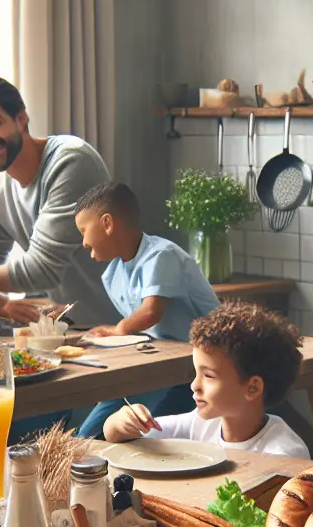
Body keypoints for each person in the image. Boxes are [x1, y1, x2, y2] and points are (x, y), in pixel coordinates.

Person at [0, 74, 122, 328]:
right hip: (67, 331)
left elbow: (42, 270)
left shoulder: (71, 162)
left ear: (21, 119)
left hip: (123, 330)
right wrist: (0, 304)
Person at [72, 181, 218, 436]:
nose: (83, 242)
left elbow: (151, 312)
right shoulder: (114, 272)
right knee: (90, 432)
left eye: (84, 231)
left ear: (107, 224)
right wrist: (116, 331)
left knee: (143, 432)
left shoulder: (161, 255)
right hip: (160, 361)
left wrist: (120, 328)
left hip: (200, 364)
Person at [103, 302, 309, 459]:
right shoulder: (200, 424)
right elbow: (120, 434)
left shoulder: (284, 454)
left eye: (208, 376)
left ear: (253, 388)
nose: (195, 385)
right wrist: (122, 422)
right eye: (196, 373)